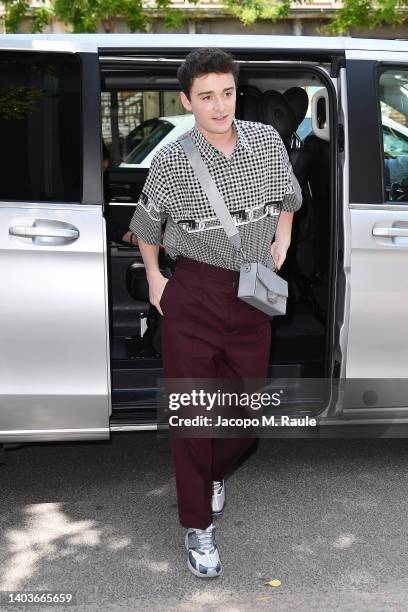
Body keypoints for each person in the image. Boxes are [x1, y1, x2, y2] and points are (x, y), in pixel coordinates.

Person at [129, 47, 302, 579]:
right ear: (187, 100)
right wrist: (156, 278)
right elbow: (146, 227)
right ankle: (197, 525)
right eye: (206, 97)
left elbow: (288, 199)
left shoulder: (267, 141)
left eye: (226, 92)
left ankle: (211, 474)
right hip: (196, 292)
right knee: (194, 415)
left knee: (245, 415)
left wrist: (282, 244)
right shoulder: (173, 158)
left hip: (253, 288)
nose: (220, 105)